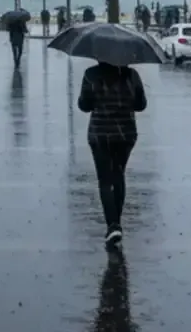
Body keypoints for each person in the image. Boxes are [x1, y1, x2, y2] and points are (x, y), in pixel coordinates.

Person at [77, 61, 148, 245]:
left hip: (100, 134)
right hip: (125, 134)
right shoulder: (131, 76)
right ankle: (116, 223)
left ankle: (113, 225)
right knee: (118, 175)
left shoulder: (90, 74)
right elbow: (141, 105)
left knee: (105, 180)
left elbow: (84, 105)